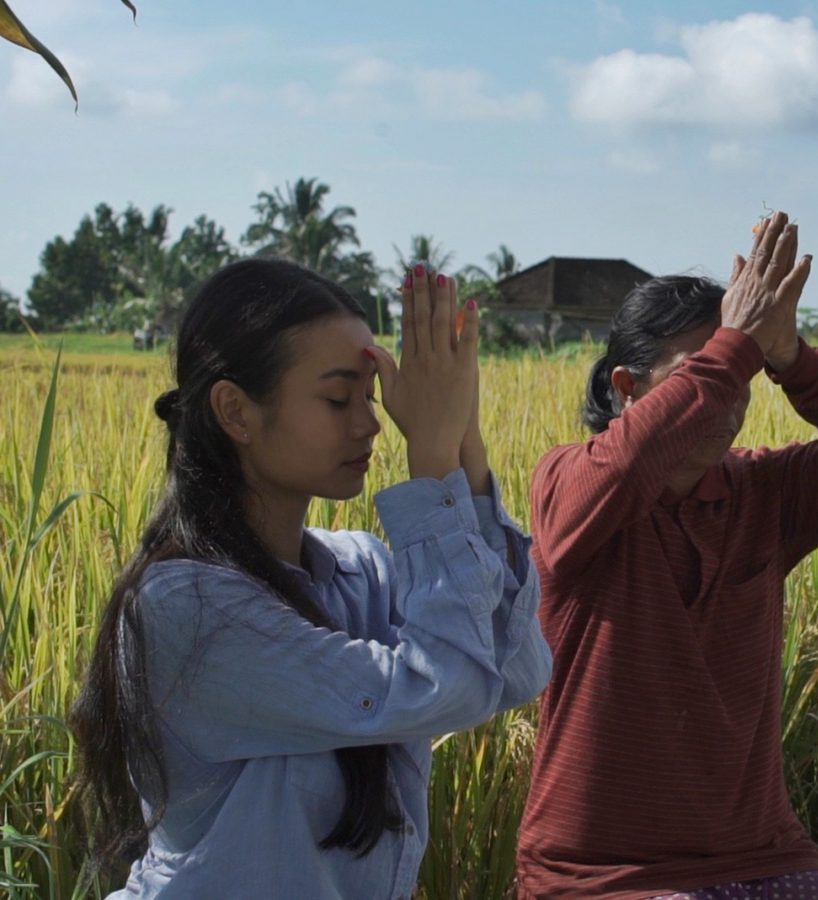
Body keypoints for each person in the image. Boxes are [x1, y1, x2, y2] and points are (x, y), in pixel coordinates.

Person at [70, 258, 552, 898]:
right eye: (336, 398)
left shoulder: (359, 569)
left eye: (371, 396)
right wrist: (431, 468)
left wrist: (464, 444)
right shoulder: (185, 606)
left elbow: (516, 672)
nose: (371, 423)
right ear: (235, 412)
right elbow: (448, 687)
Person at [515, 213, 818, 899]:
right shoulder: (567, 484)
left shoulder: (763, 494)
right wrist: (735, 343)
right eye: (701, 374)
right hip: (603, 878)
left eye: (740, 377)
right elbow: (625, 470)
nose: (726, 397)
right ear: (627, 388)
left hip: (763, 859)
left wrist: (791, 358)